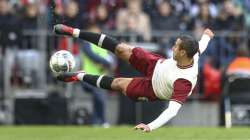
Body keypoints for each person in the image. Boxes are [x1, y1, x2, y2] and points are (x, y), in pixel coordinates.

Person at [53, 24, 214, 132]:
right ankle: (73, 31)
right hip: (156, 64)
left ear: (183, 53)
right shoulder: (194, 52)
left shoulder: (183, 82)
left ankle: (79, 76)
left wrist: (150, 126)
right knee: (122, 49)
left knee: (119, 83)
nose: (172, 47)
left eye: (176, 46)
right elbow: (203, 43)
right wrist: (207, 35)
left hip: (153, 89)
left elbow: (172, 111)